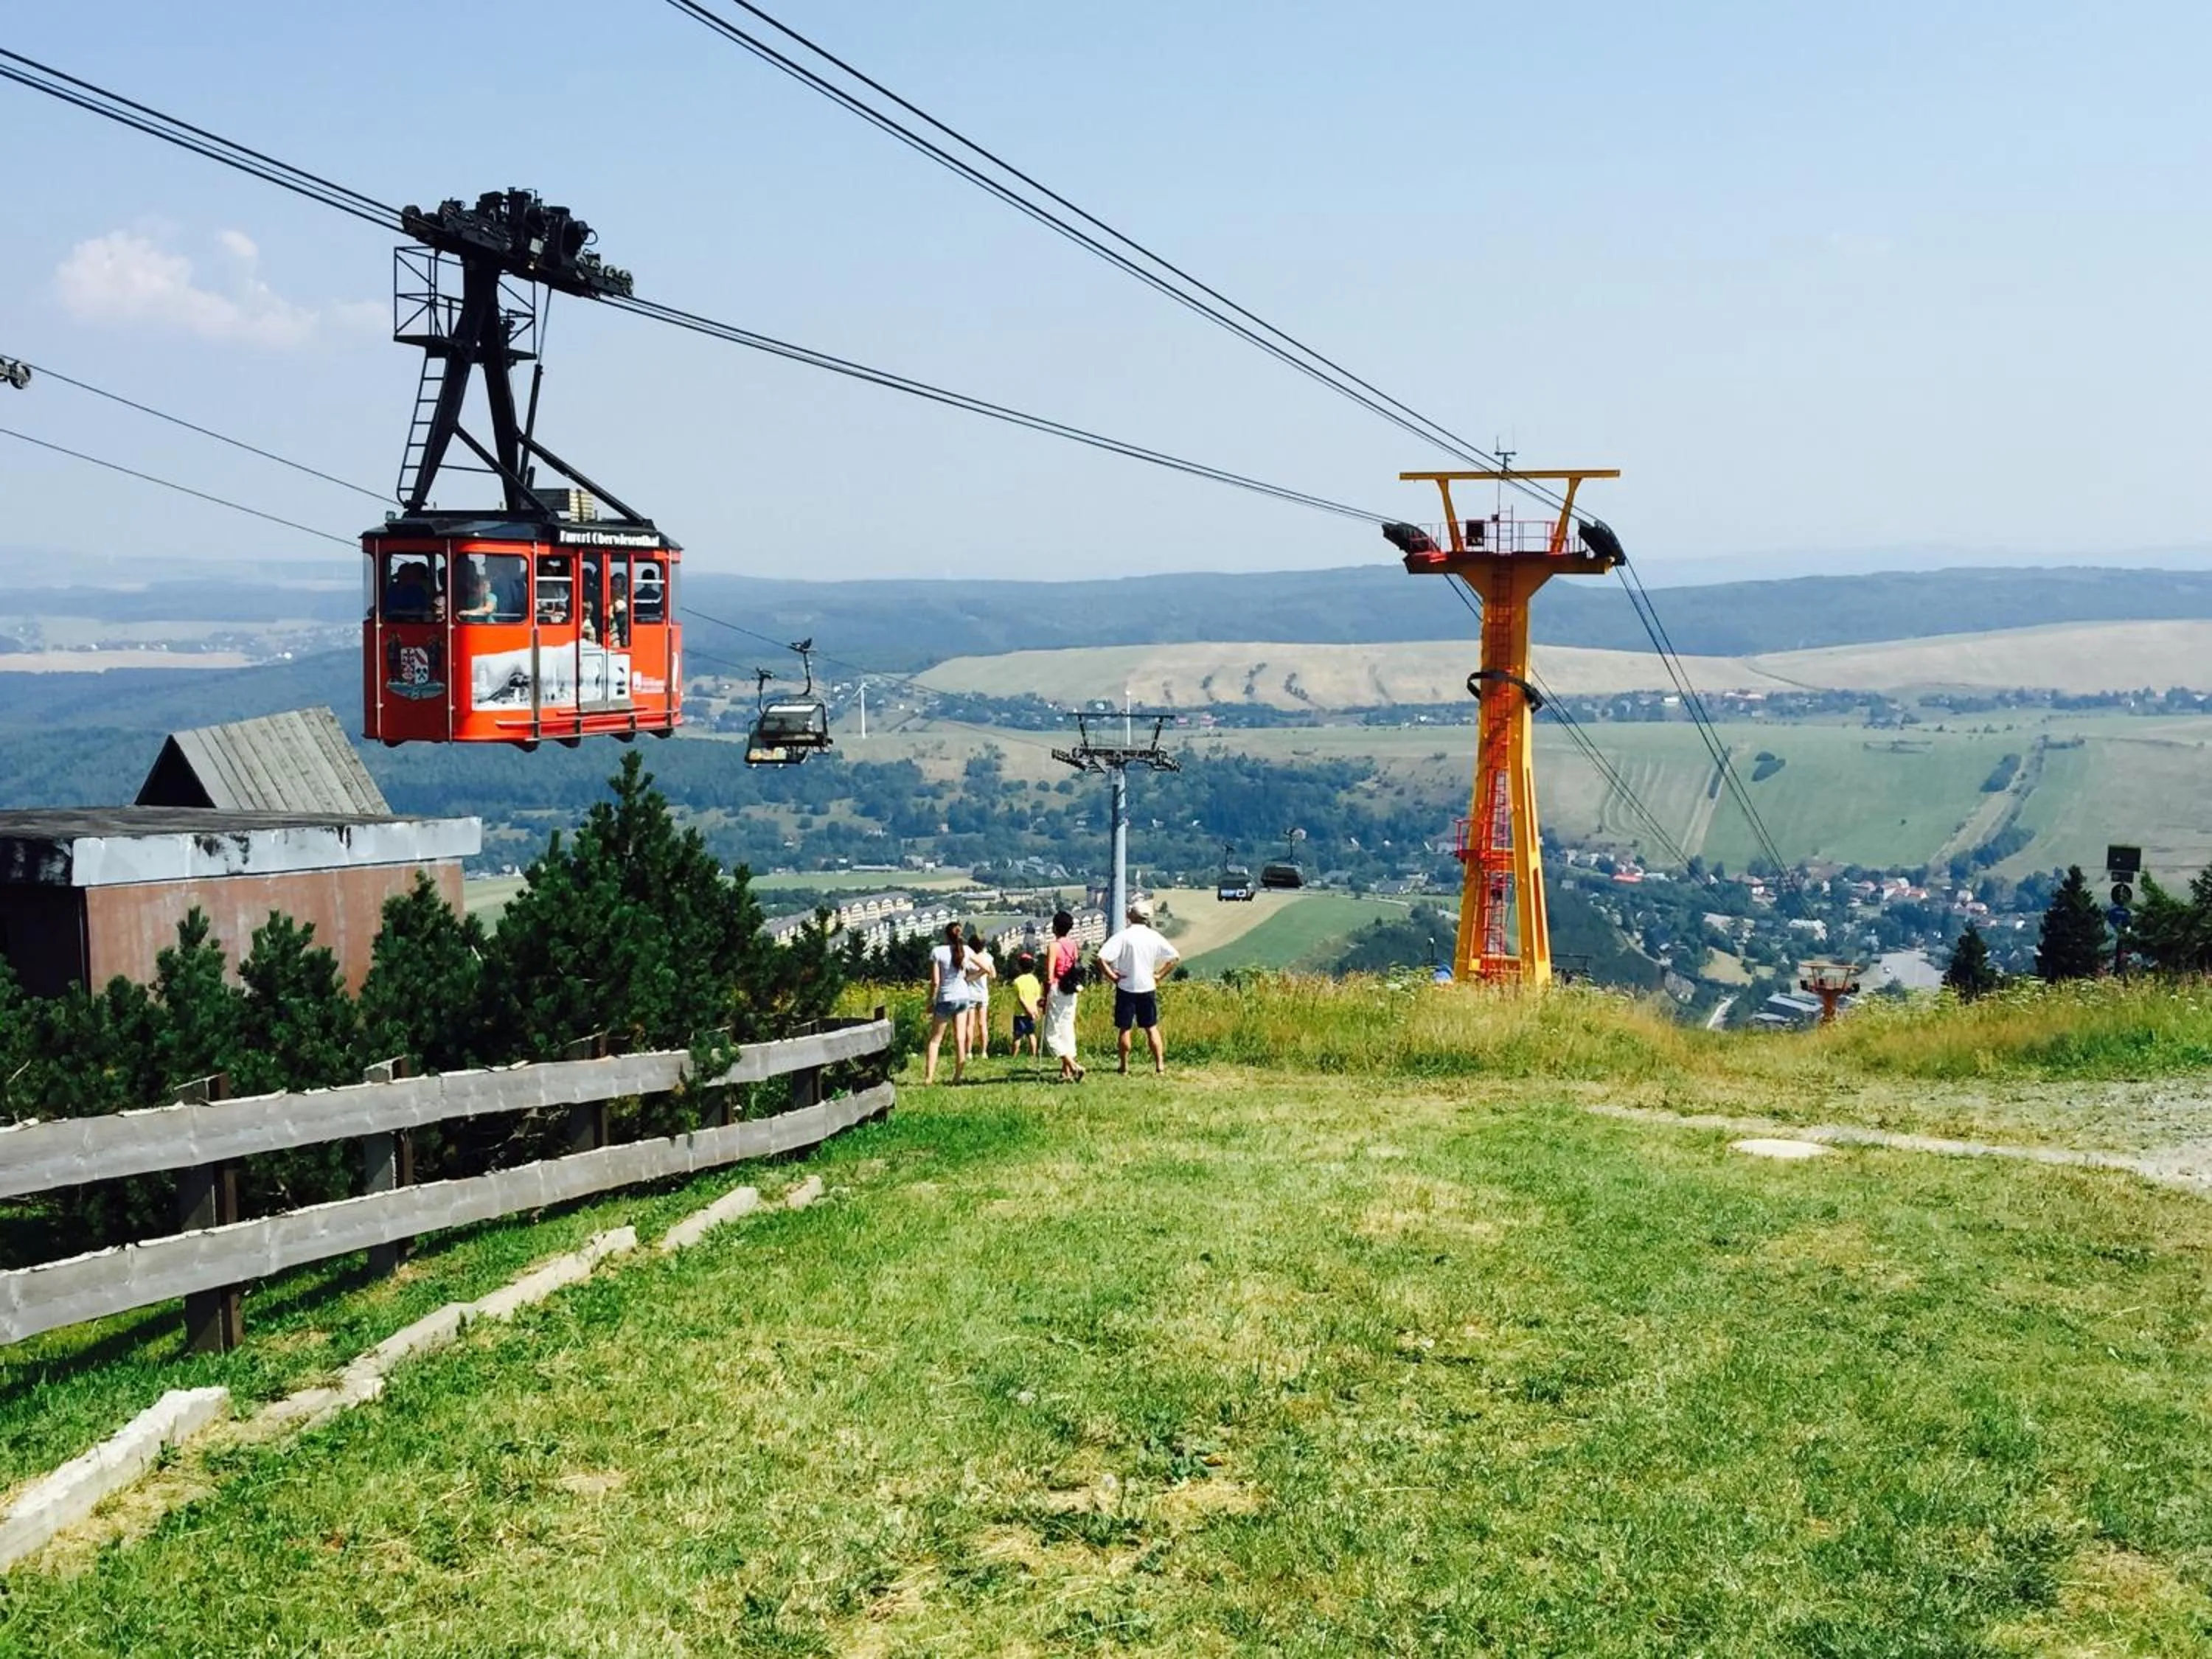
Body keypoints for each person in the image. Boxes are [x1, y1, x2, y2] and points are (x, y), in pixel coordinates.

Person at [1097, 900, 1180, 1076]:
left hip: (1126, 987)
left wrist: (1113, 977)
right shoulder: (1153, 936)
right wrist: (1159, 975)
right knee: (1151, 1027)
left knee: (1125, 1028)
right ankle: (1160, 1066)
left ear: (1131, 916)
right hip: (1147, 986)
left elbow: (1101, 958)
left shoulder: (1123, 936)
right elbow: (1174, 957)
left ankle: (1124, 1066)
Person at [923, 921, 977, 1085]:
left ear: (946, 935)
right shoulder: (966, 950)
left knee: (935, 1040)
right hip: (963, 997)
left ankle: (929, 1078)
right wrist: (970, 978)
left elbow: (936, 982)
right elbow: (985, 968)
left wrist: (931, 1001)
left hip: (946, 998)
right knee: (960, 1038)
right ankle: (957, 1077)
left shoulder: (937, 952)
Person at [1042, 909, 1085, 1083]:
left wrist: (1045, 994)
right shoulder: (1073, 945)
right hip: (1071, 989)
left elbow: (1049, 974)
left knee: (1051, 1034)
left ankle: (1073, 1066)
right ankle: (1065, 1071)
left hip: (1057, 988)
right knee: (1067, 1028)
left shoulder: (1054, 946)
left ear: (1055, 927)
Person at [962, 928, 996, 1060]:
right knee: (983, 1024)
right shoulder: (988, 958)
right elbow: (993, 975)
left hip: (970, 993)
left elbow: (965, 978)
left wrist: (976, 974)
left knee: (969, 1024)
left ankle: (968, 1052)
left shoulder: (969, 959)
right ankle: (984, 1052)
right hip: (983, 993)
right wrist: (984, 971)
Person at [1009, 950, 1043, 1058]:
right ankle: (1033, 1055)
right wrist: (1034, 1009)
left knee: (1017, 1036)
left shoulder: (1017, 981)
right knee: (1031, 1035)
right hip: (1032, 1012)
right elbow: (1037, 997)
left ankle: (1014, 1056)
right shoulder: (1035, 980)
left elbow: (1021, 999)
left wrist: (1026, 1009)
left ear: (1020, 967)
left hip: (1020, 1013)